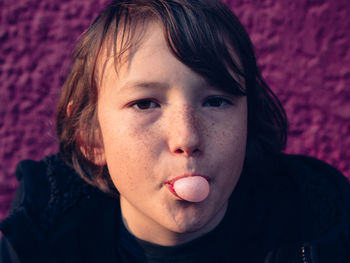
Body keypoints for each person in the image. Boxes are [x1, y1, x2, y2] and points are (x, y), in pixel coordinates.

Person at [1, 0, 349, 262]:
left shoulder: (321, 228)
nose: (186, 139)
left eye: (215, 101)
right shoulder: (36, 239)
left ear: (248, 121)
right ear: (91, 136)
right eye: (145, 104)